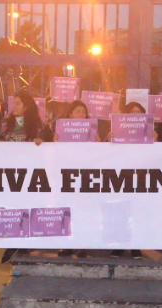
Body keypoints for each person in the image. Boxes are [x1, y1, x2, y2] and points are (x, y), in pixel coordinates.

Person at [0, 91, 48, 264]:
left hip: (29, 175)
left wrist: (41, 142)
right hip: (9, 174)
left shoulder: (37, 126)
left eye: (17, 103)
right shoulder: (6, 123)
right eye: (13, 103)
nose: (13, 106)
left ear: (26, 106)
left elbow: (49, 146)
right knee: (11, 208)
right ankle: (12, 243)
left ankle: (24, 244)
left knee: (27, 207)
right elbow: (0, 142)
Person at [106, 101, 157, 260]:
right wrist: (109, 140)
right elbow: (104, 155)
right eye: (132, 112)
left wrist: (156, 140)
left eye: (139, 112)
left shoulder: (150, 132)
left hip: (140, 175)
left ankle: (135, 246)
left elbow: (158, 155)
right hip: (121, 174)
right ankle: (119, 245)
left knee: (137, 211)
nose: (136, 115)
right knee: (120, 211)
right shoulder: (117, 131)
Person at [54, 101, 94, 259]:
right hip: (67, 175)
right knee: (67, 211)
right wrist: (55, 139)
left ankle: (83, 245)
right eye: (77, 111)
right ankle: (67, 245)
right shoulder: (61, 130)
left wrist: (97, 141)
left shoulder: (92, 131)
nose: (80, 115)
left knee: (83, 211)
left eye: (83, 112)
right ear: (70, 114)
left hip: (85, 175)